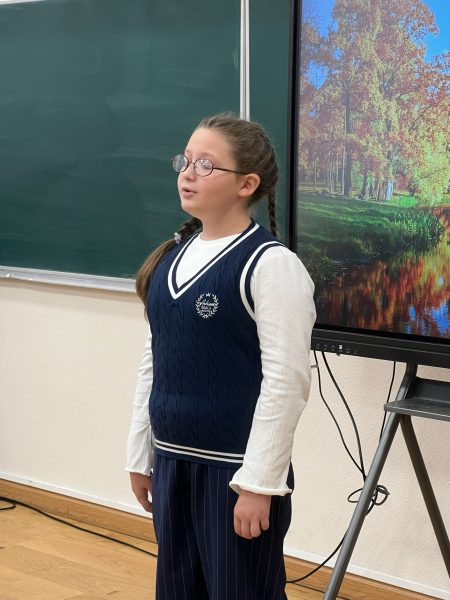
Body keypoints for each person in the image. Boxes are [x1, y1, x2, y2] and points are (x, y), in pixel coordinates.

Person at [126, 112, 316, 600]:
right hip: (172, 462)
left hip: (234, 473)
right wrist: (140, 454)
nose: (188, 174)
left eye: (206, 165)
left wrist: (258, 484)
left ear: (246, 184)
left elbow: (287, 382)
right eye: (186, 161)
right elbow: (155, 362)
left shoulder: (272, 265)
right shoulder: (170, 258)